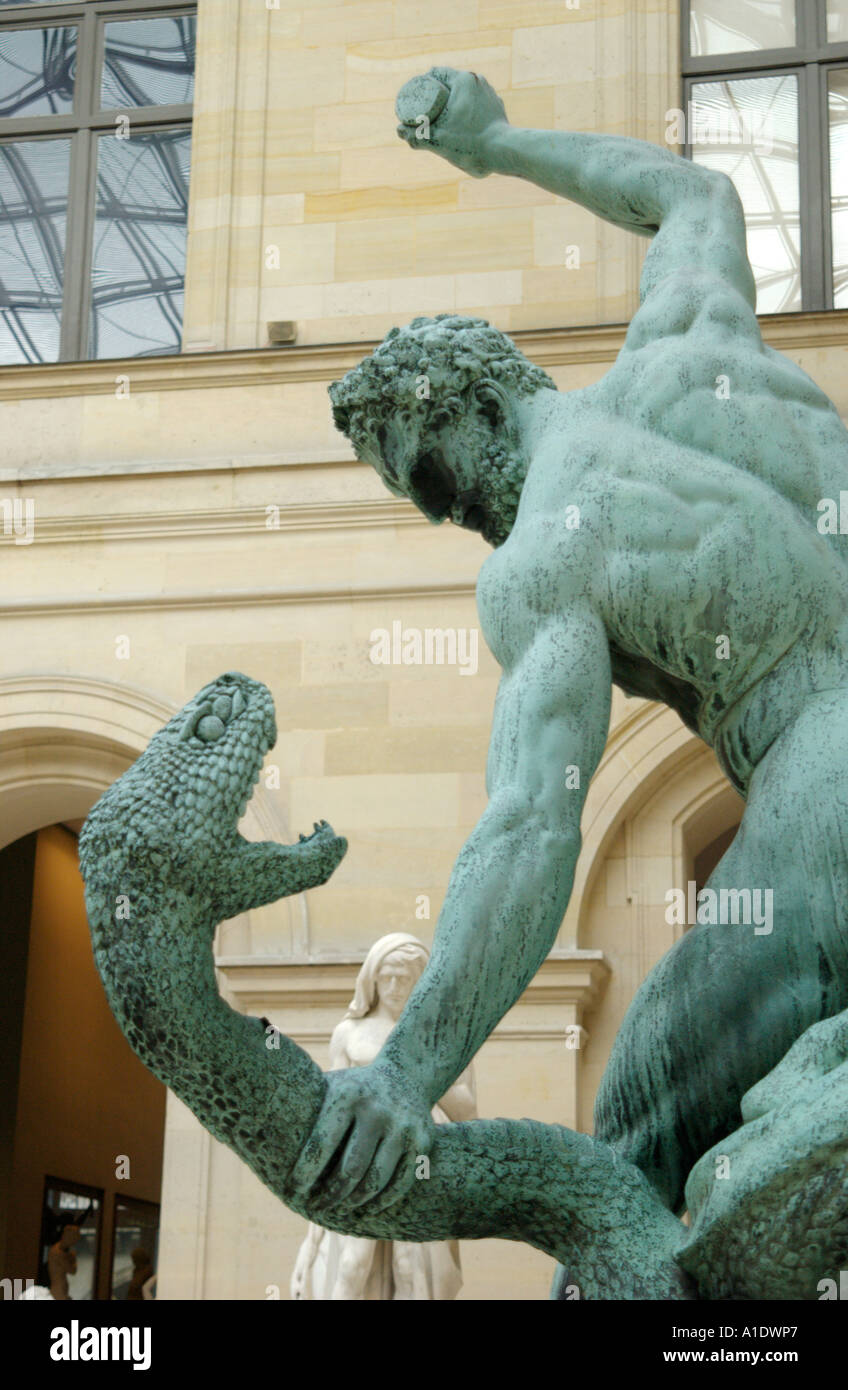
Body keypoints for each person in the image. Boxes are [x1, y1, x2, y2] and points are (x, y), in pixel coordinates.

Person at [288, 67, 848, 1231]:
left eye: (430, 485)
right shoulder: (683, 341)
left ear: (473, 415)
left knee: (640, 1119)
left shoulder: (545, 552)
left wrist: (404, 1073)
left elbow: (531, 827)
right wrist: (493, 144)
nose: (452, 519)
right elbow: (692, 194)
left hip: (828, 762)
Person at [290, 933, 475, 1299]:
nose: (393, 986)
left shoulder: (440, 1036)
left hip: (419, 1156)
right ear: (372, 979)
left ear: (419, 981)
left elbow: (467, 1109)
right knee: (352, 1263)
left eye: (403, 978)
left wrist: (419, 1078)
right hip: (359, 1158)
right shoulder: (349, 1032)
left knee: (411, 1267)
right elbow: (333, 1107)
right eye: (386, 976)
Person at [47, 1224, 80, 1300]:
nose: (73, 1243)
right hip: (58, 1291)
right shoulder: (57, 1252)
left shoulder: (63, 1252)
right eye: (73, 1240)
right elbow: (72, 1270)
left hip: (62, 1290)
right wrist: (73, 1257)